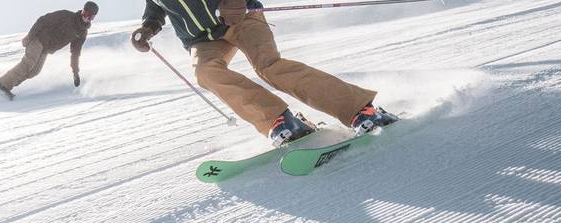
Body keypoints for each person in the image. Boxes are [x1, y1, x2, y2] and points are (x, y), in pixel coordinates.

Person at [131, 0, 398, 146]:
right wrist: (148, 28)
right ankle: (281, 121)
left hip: (240, 17)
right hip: (202, 39)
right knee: (205, 71)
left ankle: (360, 110)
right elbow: (155, 8)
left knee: (269, 66)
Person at [0, 1, 100, 100]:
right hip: (38, 39)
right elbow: (43, 20)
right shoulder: (66, 15)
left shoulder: (82, 33)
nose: (86, 18)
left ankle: (8, 85)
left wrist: (75, 72)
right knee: (28, 63)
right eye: (85, 14)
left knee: (34, 72)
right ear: (82, 11)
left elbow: (75, 53)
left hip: (46, 50)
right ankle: (2, 85)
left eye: (90, 16)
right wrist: (29, 37)